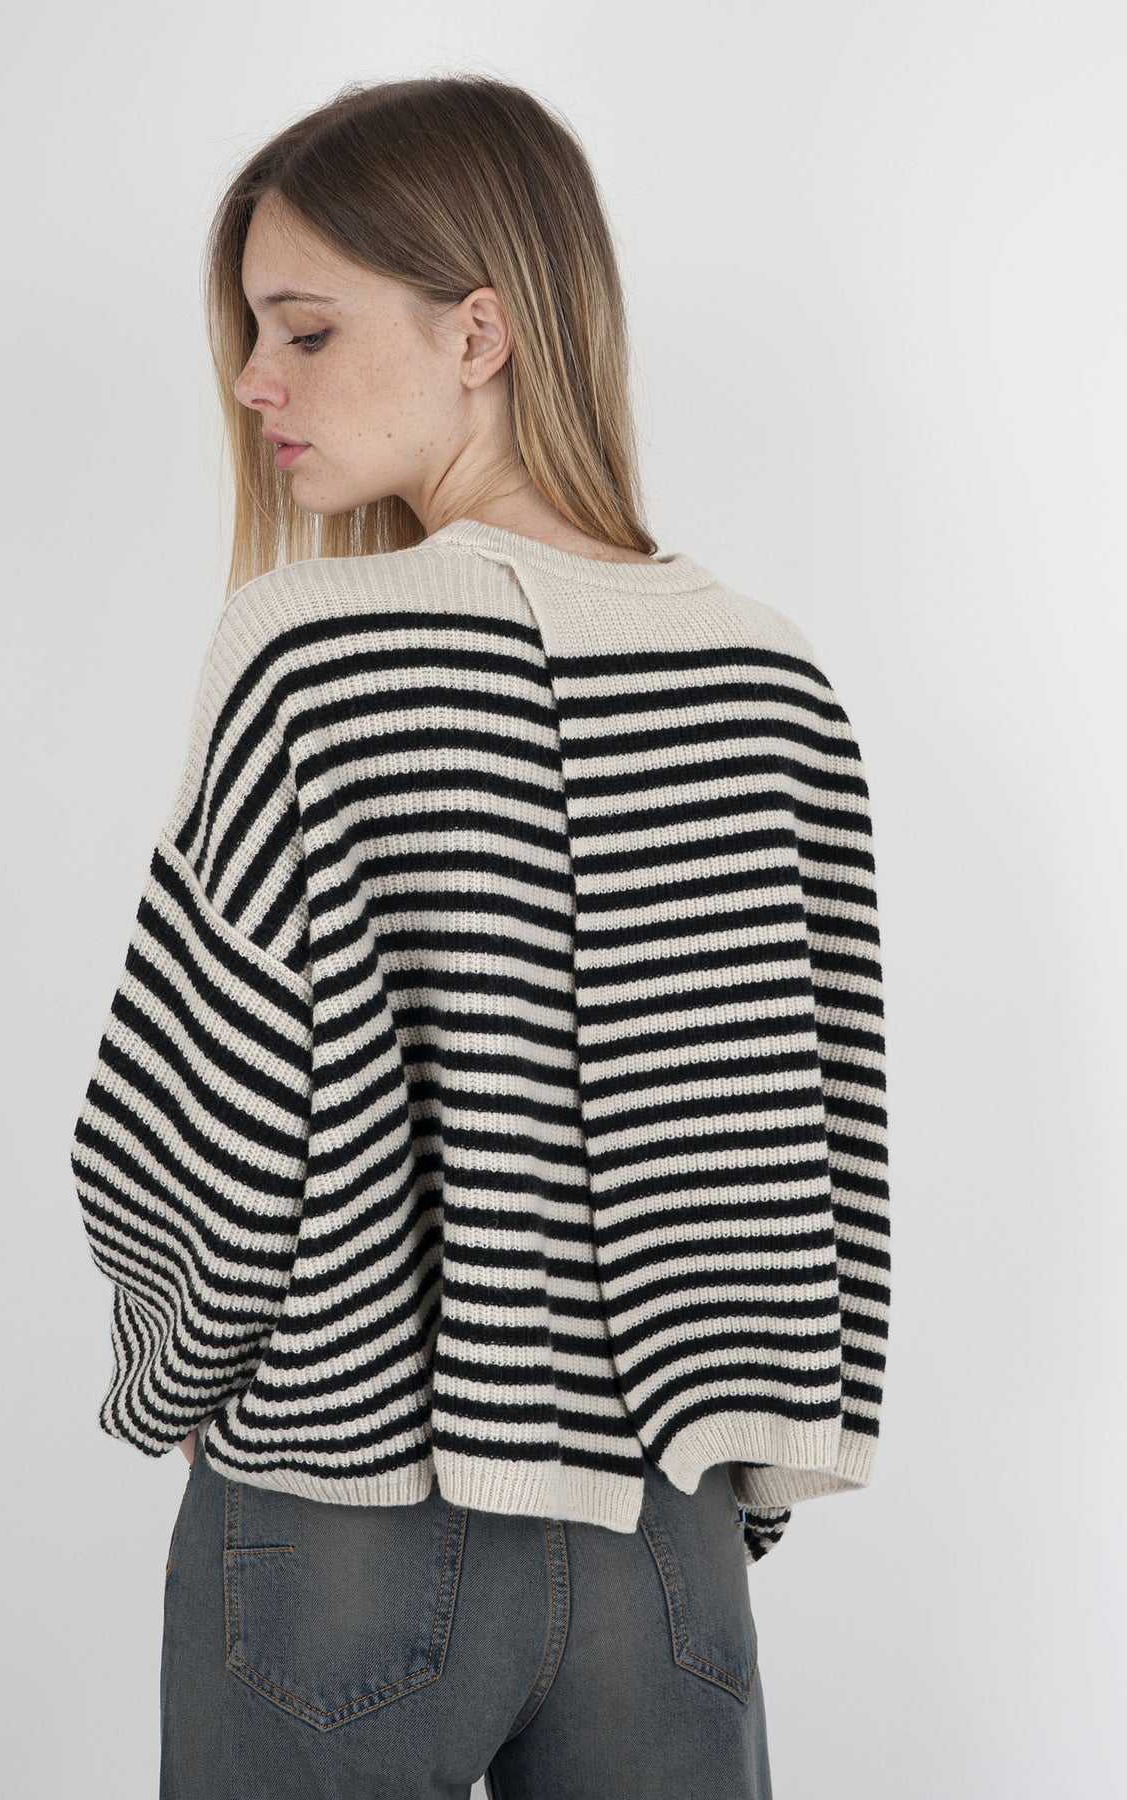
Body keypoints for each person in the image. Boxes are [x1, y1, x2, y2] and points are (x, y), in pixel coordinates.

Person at [70, 73, 890, 1800]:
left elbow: (205, 1130)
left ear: (480, 333)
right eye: (253, 332)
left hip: (343, 1507)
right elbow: (822, 1146)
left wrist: (168, 1371)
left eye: (305, 328)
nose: (254, 380)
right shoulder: (773, 681)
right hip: (665, 1530)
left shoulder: (311, 651)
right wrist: (750, 1480)